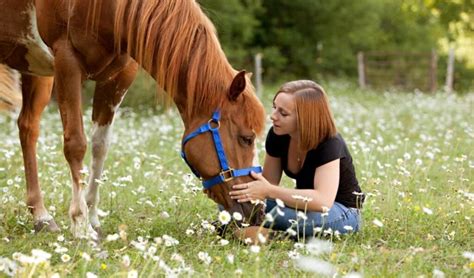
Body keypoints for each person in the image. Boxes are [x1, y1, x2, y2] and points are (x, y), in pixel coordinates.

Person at [229, 80, 364, 241]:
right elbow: (268, 183)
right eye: (274, 108)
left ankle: (270, 234)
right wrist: (245, 189)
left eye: (283, 113)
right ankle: (258, 229)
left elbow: (323, 201)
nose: (273, 116)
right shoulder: (278, 135)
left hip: (341, 211)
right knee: (234, 202)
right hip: (301, 205)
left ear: (305, 118)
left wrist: (268, 192)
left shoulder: (329, 142)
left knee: (281, 217)